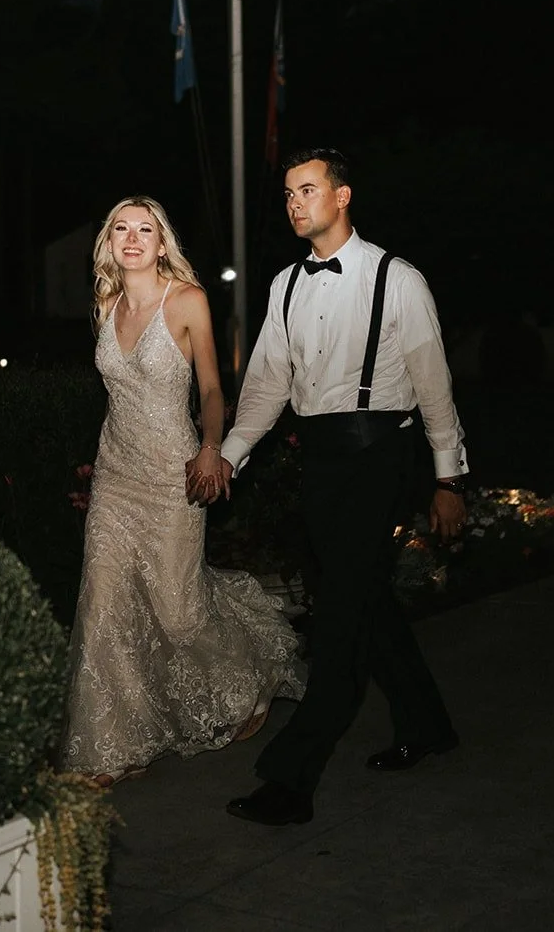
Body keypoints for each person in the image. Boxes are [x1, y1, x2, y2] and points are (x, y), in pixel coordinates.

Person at [202, 148, 468, 826]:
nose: (295, 202)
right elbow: (265, 385)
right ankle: (427, 723)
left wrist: (448, 478)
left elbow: (435, 385)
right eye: (288, 193)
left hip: (381, 457)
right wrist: (230, 454)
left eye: (308, 189)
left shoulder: (397, 278)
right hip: (319, 464)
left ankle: (291, 778)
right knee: (364, 598)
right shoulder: (285, 284)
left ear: (343, 195)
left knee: (342, 615)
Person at [58, 195, 304, 788]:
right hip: (115, 473)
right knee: (103, 604)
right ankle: (117, 745)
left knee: (178, 610)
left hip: (174, 475)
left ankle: (251, 682)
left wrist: (211, 446)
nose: (134, 238)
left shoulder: (188, 301)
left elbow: (214, 391)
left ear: (163, 243)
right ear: (109, 243)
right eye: (122, 229)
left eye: (147, 229)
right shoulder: (106, 302)